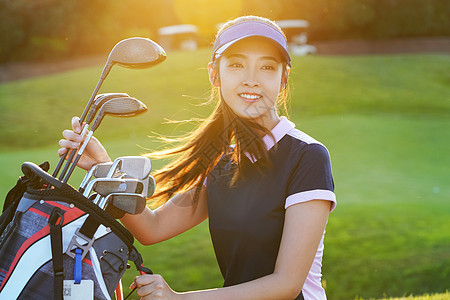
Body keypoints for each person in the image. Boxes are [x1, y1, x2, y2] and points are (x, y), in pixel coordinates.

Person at [59, 15, 336, 300]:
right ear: (214, 75)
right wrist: (103, 167)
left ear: (283, 79)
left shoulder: (307, 156)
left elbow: (286, 285)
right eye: (237, 65)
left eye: (266, 67)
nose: (251, 80)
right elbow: (153, 228)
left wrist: (179, 299)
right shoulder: (222, 161)